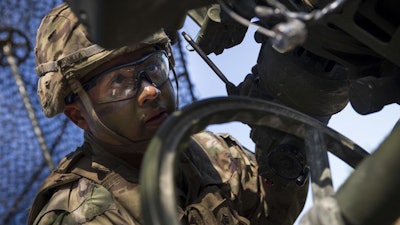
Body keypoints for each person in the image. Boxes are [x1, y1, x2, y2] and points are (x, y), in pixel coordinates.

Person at [28, 3, 308, 225]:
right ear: (78, 115)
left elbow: (273, 215)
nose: (150, 90)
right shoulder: (79, 213)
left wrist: (282, 145)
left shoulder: (209, 151)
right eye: (118, 82)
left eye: (153, 68)